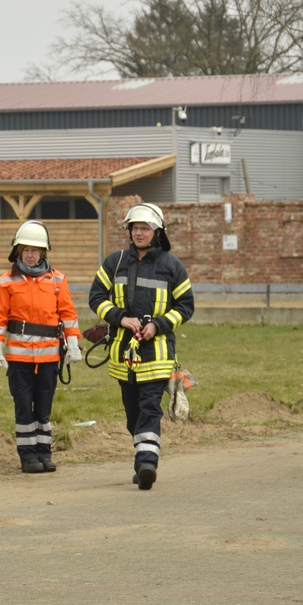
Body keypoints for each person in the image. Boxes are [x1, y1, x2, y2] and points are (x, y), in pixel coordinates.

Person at [88, 203, 194, 490]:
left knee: (149, 407)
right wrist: (120, 318)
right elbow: (96, 297)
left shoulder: (173, 266)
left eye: (145, 228)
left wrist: (158, 325)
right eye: (135, 228)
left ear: (157, 231)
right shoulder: (115, 262)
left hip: (157, 354)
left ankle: (148, 463)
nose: (139, 233)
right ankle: (141, 459)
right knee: (133, 412)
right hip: (124, 355)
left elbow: (185, 307)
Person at [0, 220, 82, 474]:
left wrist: (73, 343)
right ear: (18, 252)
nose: (30, 255)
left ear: (43, 252)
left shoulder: (58, 280)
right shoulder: (6, 282)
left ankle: (44, 453)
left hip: (50, 359)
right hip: (19, 360)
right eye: (25, 250)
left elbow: (68, 314)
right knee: (23, 407)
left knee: (44, 409)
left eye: (35, 250)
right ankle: (28, 457)